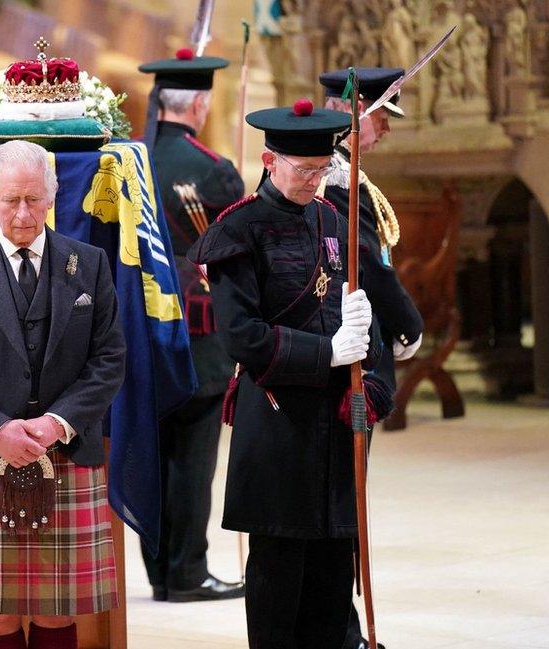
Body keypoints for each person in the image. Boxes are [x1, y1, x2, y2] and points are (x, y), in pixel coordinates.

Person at [188, 100, 382, 649]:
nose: (314, 181)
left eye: (323, 170)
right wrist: (326, 352)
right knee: (278, 586)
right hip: (277, 425)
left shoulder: (333, 222)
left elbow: (371, 322)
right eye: (303, 170)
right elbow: (242, 336)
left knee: (331, 577)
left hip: (335, 424)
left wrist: (373, 377)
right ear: (270, 160)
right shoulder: (239, 231)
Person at [0, 140, 126, 649]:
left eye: (34, 199)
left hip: (68, 454)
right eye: (11, 200)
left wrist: (59, 423)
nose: (24, 213)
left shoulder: (90, 264)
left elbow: (109, 359)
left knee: (57, 615)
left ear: (53, 197)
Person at [319, 67, 425, 649]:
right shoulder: (335, 181)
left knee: (347, 497)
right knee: (343, 500)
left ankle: (344, 626)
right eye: (381, 114)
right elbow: (370, 265)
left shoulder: (346, 174)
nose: (384, 129)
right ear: (351, 110)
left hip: (359, 351)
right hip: (349, 357)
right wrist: (409, 323)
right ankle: (342, 629)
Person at [137, 51, 246, 602]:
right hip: (199, 334)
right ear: (200, 104)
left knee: (154, 454)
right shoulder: (213, 169)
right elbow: (238, 255)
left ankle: (159, 569)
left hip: (139, 331)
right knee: (194, 457)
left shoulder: (126, 161)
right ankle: (187, 571)